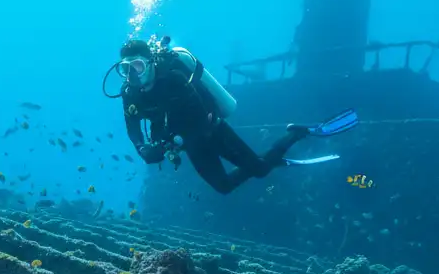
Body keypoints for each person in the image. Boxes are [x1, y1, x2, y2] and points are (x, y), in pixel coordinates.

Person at [106, 36, 357, 195]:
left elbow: (197, 114)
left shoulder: (174, 79)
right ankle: (268, 160)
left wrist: (173, 142)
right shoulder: (130, 92)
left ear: (149, 62)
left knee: (259, 171)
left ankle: (295, 134)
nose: (131, 76)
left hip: (211, 130)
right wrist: (142, 148)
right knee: (224, 187)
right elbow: (133, 127)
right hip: (186, 142)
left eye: (136, 66)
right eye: (125, 69)